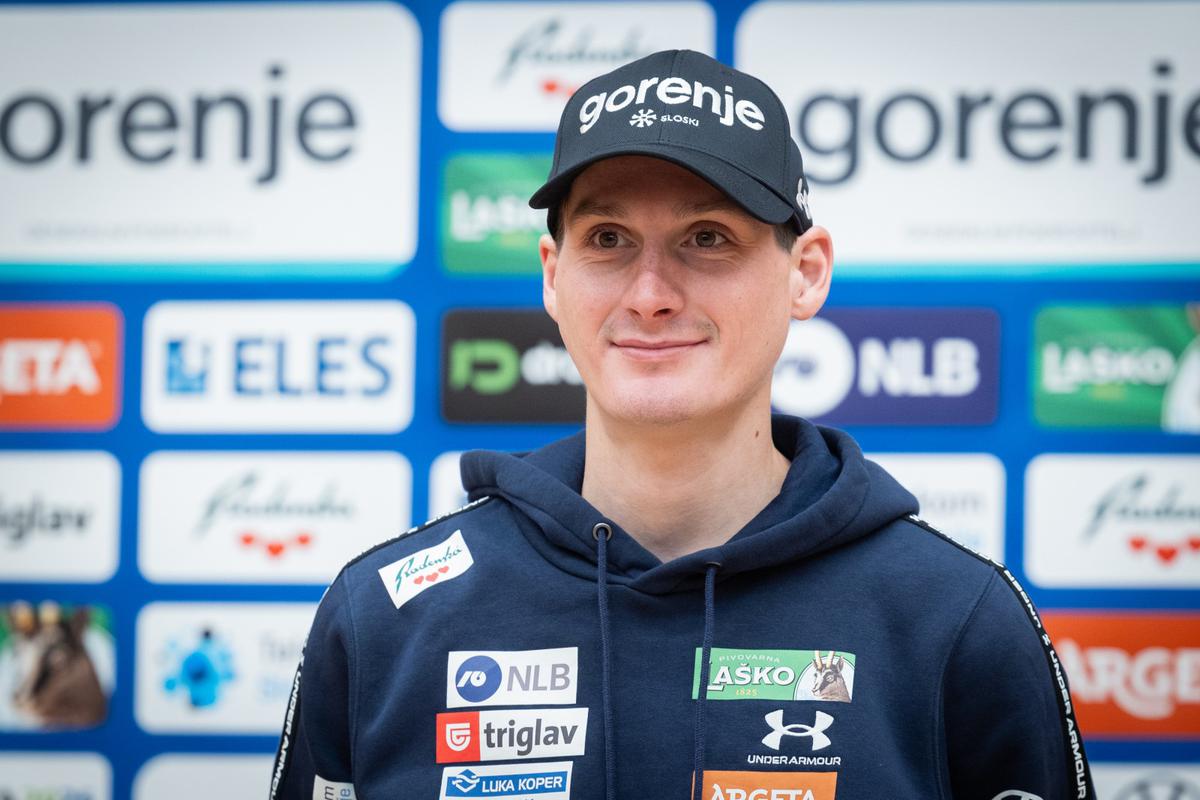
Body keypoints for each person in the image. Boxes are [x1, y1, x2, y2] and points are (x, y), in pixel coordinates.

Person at [270, 50, 1095, 800]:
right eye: (608, 238)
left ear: (806, 274)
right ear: (553, 277)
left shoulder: (957, 620)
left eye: (708, 237)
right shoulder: (385, 616)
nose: (650, 294)